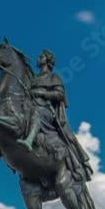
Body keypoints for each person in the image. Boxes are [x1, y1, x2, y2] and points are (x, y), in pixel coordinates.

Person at [17, 49, 93, 182]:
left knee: (37, 112)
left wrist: (42, 93)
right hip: (29, 107)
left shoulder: (54, 77)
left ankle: (29, 140)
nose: (39, 58)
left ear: (47, 60)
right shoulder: (33, 78)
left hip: (45, 111)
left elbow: (60, 95)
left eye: (42, 56)